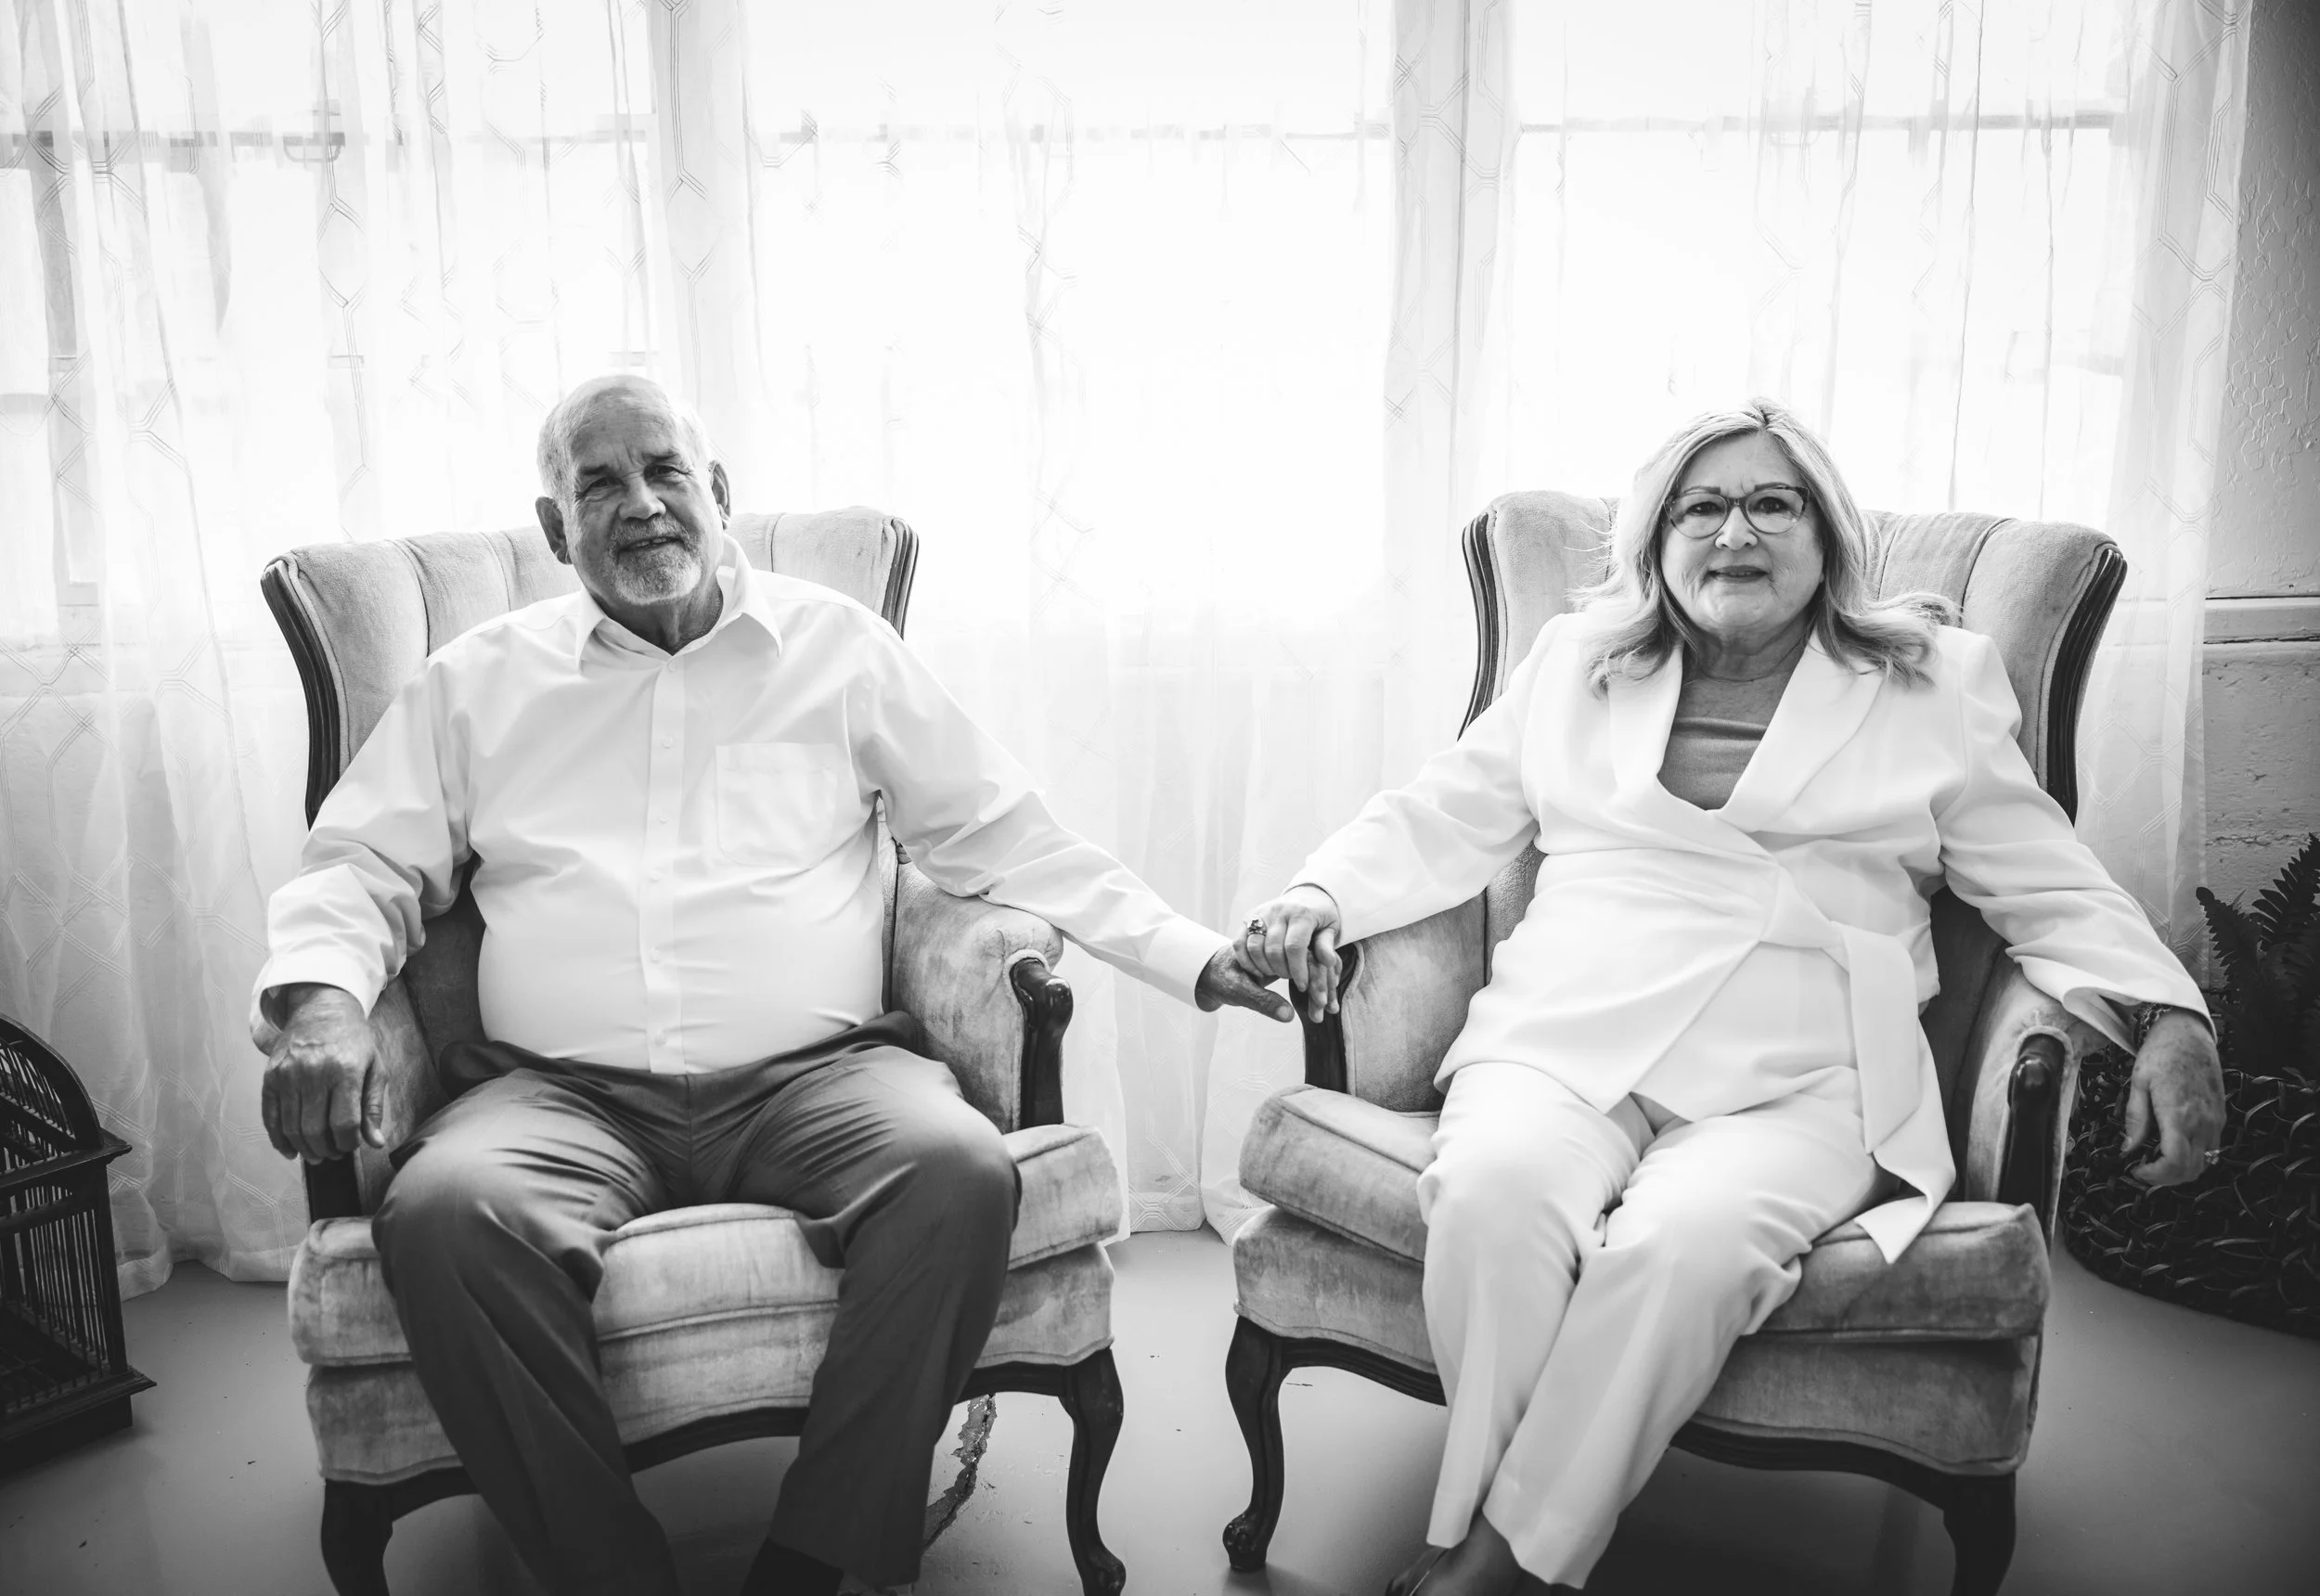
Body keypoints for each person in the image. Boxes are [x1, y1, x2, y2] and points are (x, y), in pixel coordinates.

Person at [253, 374, 1291, 1596]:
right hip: (557, 1097)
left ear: (721, 496)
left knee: (957, 1175)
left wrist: (1188, 953)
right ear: (554, 532)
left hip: (821, 1078)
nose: (640, 506)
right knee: (442, 1216)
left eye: (664, 472)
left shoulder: (838, 650)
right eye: (599, 485)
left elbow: (1008, 839)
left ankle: (814, 1564)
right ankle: (606, 1574)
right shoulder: (474, 683)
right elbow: (361, 860)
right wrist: (319, 1002)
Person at [1237, 398, 2223, 1596]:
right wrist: (1317, 892)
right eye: (1703, 507)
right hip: (1567, 1035)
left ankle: (1497, 1563)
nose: (1735, 532)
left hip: (1799, 1075)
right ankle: (1486, 1535)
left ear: (1826, 537)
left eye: (1772, 503)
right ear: (1656, 542)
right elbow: (1443, 813)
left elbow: (2046, 881)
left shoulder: (1932, 685)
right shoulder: (1576, 663)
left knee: (1680, 1246)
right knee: (1493, 1203)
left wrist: (2170, 1018)